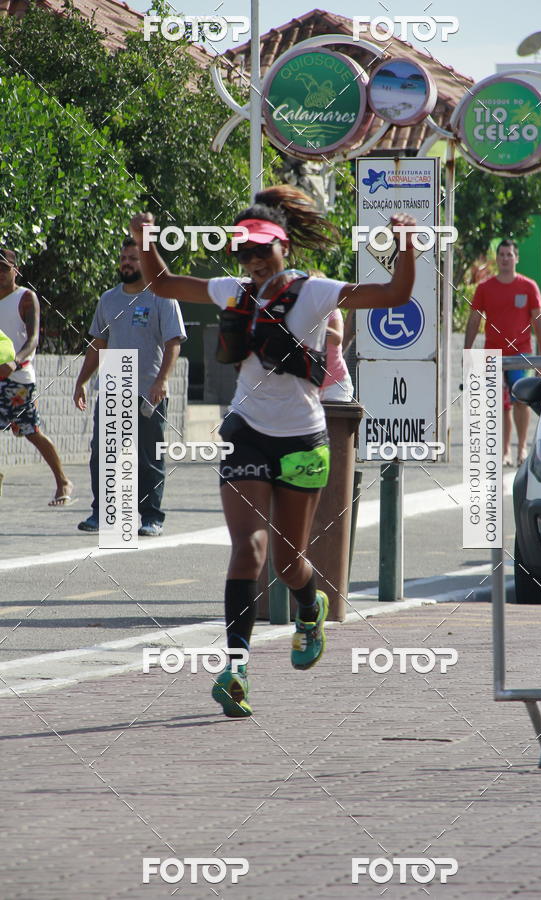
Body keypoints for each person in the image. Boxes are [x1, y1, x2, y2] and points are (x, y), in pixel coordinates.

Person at [129, 186, 416, 718]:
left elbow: (395, 296)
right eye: (244, 251)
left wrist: (405, 248)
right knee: (249, 550)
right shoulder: (232, 290)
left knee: (289, 563)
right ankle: (235, 668)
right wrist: (145, 241)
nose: (254, 260)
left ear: (284, 246)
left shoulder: (316, 292)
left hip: (304, 438)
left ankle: (311, 607)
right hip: (247, 431)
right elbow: (163, 282)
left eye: (263, 249)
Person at [73, 237, 186, 536]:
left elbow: (173, 342)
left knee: (148, 457)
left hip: (148, 392)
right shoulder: (108, 299)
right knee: (104, 453)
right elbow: (99, 343)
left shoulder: (162, 297)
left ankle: (151, 517)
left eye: (134, 258)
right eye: (124, 258)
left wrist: (162, 380)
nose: (127, 263)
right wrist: (82, 381)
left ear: (147, 262)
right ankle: (103, 514)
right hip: (112, 387)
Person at [464, 239, 541, 466]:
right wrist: (468, 352)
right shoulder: (485, 288)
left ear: (516, 258)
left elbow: (539, 321)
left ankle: (521, 448)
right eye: (501, 254)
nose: (505, 259)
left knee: (521, 401)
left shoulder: (528, 286)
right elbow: (474, 320)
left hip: (521, 354)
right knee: (499, 405)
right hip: (493, 354)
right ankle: (504, 452)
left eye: (509, 255)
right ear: (497, 258)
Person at [0, 247, 74, 505]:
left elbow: (33, 340)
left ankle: (63, 480)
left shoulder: (25, 298)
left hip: (18, 379)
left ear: (15, 270)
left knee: (31, 432)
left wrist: (15, 362)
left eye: (3, 268)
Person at [321, 308, 354, 402]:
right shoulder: (291, 307)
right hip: (303, 385)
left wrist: (312, 327)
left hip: (335, 385)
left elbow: (336, 338)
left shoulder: (330, 309)